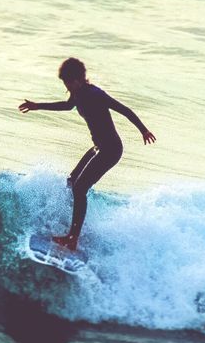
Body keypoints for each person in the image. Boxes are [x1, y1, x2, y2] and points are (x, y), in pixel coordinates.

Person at [18, 57, 156, 251]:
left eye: (67, 81)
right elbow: (67, 106)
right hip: (99, 147)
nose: (66, 86)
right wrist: (37, 106)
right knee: (72, 180)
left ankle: (73, 238)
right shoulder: (78, 94)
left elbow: (124, 110)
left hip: (111, 150)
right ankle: (74, 225)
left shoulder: (95, 94)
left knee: (80, 188)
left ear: (78, 79)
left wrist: (143, 130)